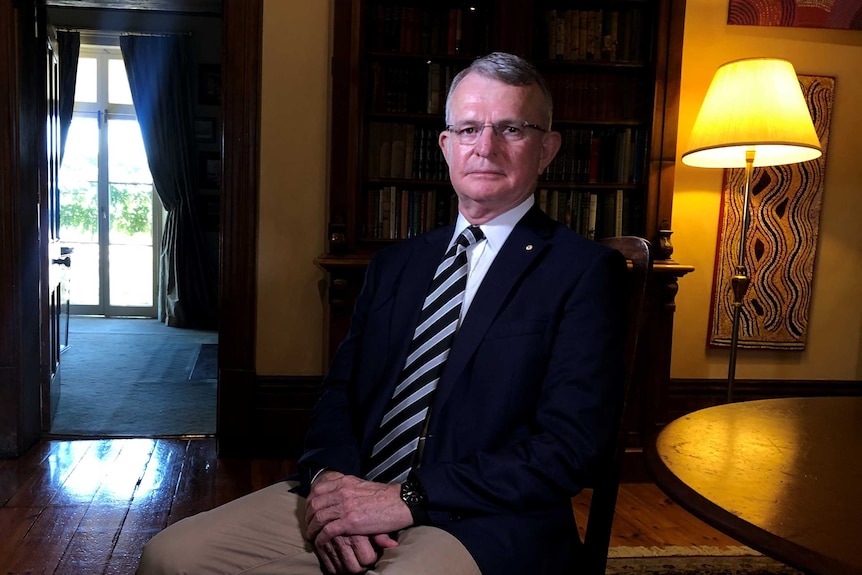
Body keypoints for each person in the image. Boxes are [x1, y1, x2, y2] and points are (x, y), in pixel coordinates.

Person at [136, 51, 627, 575]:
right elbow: (339, 395)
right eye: (468, 129)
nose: (485, 147)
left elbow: (570, 448)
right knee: (171, 557)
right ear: (446, 145)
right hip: (356, 487)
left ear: (546, 148)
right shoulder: (396, 264)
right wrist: (330, 482)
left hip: (484, 518)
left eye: (511, 128)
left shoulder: (582, 271)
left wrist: (407, 497)